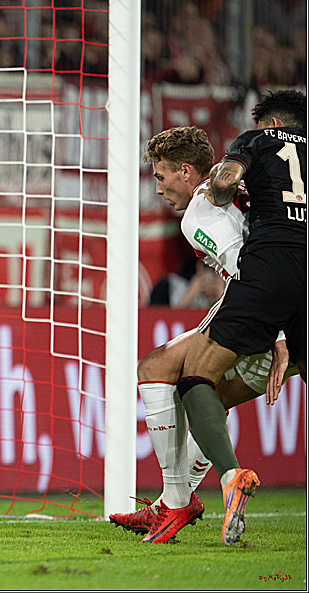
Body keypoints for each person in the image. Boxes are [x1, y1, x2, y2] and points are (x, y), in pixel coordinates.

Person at [110, 125, 297, 543]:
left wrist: (279, 335)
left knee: (158, 369)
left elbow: (247, 275)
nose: (158, 188)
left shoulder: (200, 212)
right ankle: (173, 501)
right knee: (213, 400)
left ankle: (178, 503)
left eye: (161, 176)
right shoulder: (242, 185)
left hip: (270, 309)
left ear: (187, 170)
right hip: (293, 296)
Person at [177, 90, 306, 546]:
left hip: (269, 264)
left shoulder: (257, 140)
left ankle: (229, 478)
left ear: (270, 121)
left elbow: (227, 181)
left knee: (196, 377)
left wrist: (218, 188)